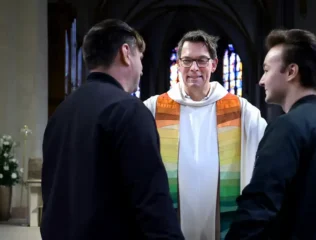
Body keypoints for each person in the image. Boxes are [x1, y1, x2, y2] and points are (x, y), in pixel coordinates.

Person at [41, 19, 184, 240]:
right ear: (126, 53)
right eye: (141, 58)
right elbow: (152, 202)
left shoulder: (61, 112)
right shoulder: (129, 111)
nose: (143, 68)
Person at [225, 29, 316, 240]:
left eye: (267, 70)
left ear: (291, 72)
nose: (261, 80)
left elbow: (260, 205)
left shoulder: (287, 127)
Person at [143, 30, 267, 240]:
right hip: (172, 219)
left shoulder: (241, 109)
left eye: (201, 61)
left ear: (214, 64)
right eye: (187, 60)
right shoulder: (154, 108)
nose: (194, 68)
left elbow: (269, 145)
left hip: (221, 218)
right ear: (179, 64)